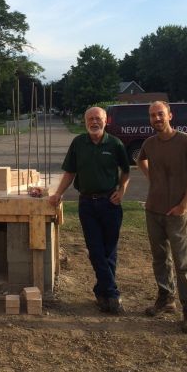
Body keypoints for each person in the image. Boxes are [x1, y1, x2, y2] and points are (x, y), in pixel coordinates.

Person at [49, 106, 130, 314]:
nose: (94, 122)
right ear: (85, 122)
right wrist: (58, 193)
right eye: (90, 119)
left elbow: (126, 170)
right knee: (96, 251)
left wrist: (121, 190)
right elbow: (70, 172)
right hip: (87, 204)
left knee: (109, 251)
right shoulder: (78, 143)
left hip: (110, 204)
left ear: (106, 121)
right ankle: (112, 293)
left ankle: (101, 293)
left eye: (98, 118)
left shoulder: (115, 144)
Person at [137, 101, 187, 333]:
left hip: (177, 212)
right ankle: (166, 299)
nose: (157, 118)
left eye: (160, 114)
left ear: (170, 115)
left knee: (182, 262)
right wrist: (153, 179)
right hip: (153, 209)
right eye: (153, 115)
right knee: (159, 257)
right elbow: (140, 161)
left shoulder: (186, 141)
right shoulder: (149, 143)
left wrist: (185, 204)